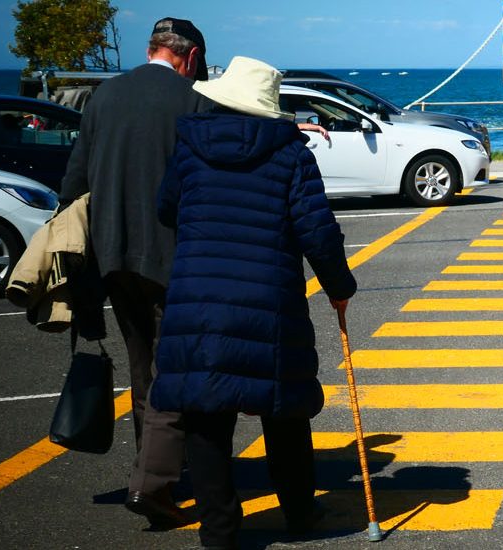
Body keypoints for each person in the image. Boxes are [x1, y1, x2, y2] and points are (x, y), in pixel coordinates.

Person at [151, 55, 357, 549]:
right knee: (282, 410)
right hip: (270, 297)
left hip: (198, 297)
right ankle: (300, 512)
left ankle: (219, 530)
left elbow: (165, 208)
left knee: (206, 416)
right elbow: (317, 231)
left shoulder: (189, 150)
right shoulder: (292, 155)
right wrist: (339, 287)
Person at [57, 16, 215, 528]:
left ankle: (152, 463)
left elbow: (74, 181)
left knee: (142, 364)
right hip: (172, 255)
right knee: (176, 369)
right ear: (189, 57)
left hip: (112, 255)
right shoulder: (193, 101)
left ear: (152, 50)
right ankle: (152, 484)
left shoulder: (102, 98)